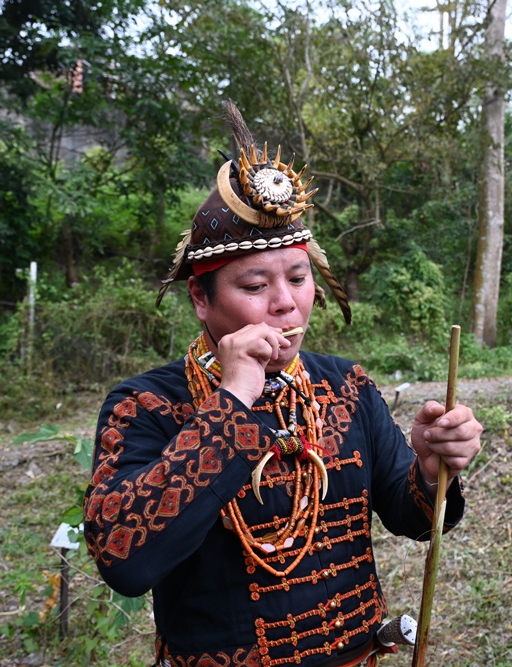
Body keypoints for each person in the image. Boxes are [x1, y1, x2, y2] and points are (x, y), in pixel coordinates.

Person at [82, 101, 483, 667]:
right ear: (201, 298)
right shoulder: (146, 404)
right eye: (254, 285)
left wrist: (433, 469)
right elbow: (123, 561)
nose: (286, 302)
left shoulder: (345, 385)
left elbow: (412, 517)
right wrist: (233, 399)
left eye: (298, 277)